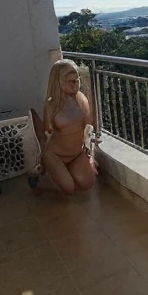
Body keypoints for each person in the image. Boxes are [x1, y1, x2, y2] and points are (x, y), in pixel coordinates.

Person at [30, 59, 98, 196]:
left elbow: (89, 131)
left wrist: (91, 157)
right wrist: (43, 161)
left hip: (77, 153)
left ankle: (65, 173)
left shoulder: (82, 99)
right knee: (68, 188)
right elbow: (47, 134)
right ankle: (43, 182)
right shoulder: (51, 105)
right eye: (68, 80)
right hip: (56, 154)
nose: (74, 83)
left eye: (76, 79)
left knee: (87, 184)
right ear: (57, 82)